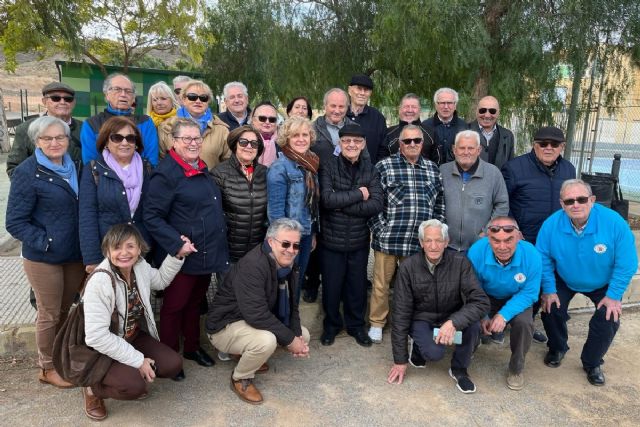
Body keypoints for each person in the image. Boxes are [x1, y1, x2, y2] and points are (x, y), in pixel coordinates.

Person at [144, 118, 230, 381]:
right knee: (174, 306)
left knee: (194, 304)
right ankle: (171, 357)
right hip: (182, 255)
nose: (193, 143)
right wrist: (176, 243)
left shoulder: (200, 167)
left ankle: (192, 347)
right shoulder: (166, 174)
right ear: (174, 141)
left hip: (205, 251)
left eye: (197, 138)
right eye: (187, 139)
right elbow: (152, 216)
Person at [6, 116, 85, 388]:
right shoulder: (28, 172)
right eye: (47, 138)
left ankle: (60, 357)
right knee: (49, 313)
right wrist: (46, 241)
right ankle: (47, 367)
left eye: (60, 137)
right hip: (44, 258)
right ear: (36, 142)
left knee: (65, 309)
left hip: (74, 255)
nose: (54, 143)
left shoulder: (75, 166)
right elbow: (15, 221)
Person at [536, 179, 638, 386]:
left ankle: (592, 362)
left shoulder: (614, 222)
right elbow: (543, 258)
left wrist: (614, 295)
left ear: (592, 200)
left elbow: (627, 262)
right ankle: (557, 347)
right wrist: (548, 289)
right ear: (561, 204)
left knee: (609, 316)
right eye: (569, 200)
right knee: (550, 306)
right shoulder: (551, 225)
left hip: (604, 282)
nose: (576, 204)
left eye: (581, 199)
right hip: (565, 278)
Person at [81, 224, 184, 421]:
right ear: (107, 251)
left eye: (130, 246)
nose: (124, 253)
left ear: (139, 248)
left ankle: (128, 372)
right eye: (117, 247)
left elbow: (160, 281)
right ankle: (92, 389)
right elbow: (96, 337)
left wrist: (178, 255)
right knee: (134, 387)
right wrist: (138, 360)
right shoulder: (100, 281)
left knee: (173, 364)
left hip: (131, 335)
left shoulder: (140, 266)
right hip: (101, 348)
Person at [205, 218, 311, 405]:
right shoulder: (253, 265)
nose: (291, 250)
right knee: (266, 341)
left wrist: (295, 337)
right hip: (225, 325)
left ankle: (247, 353)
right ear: (271, 241)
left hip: (249, 320)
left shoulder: (288, 264)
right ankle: (241, 377)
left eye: (296, 245)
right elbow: (257, 314)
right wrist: (290, 340)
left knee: (304, 335)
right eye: (285, 244)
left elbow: (293, 305)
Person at [387, 220, 489, 393]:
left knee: (473, 326)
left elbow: (480, 301)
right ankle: (418, 349)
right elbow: (400, 314)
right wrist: (400, 360)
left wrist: (453, 322)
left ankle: (459, 369)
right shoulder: (408, 267)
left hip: (451, 317)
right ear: (421, 243)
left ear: (446, 242)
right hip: (422, 319)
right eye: (428, 240)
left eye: (438, 240)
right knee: (435, 353)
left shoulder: (460, 263)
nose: (433, 246)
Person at [368, 124, 445, 344]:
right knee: (381, 284)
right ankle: (376, 323)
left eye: (416, 141)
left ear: (423, 143)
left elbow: (439, 204)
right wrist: (379, 230)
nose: (412, 145)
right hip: (389, 238)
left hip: (418, 243)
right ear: (399, 144)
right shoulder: (384, 166)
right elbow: (374, 203)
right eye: (407, 141)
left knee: (416, 287)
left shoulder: (432, 169)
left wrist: (435, 234)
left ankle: (412, 323)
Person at [501, 126, 576, 344]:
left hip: (556, 241)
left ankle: (527, 323)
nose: (548, 148)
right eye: (543, 144)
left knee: (543, 286)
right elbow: (503, 202)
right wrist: (513, 229)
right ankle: (506, 321)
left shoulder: (568, 170)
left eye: (554, 144)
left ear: (562, 147)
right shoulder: (515, 168)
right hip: (526, 239)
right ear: (535, 145)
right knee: (519, 282)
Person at [318, 123, 383, 348]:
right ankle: (331, 326)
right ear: (340, 143)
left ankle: (356, 326)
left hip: (358, 240)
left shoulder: (371, 169)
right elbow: (326, 200)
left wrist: (341, 202)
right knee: (332, 286)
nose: (351, 145)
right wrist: (358, 194)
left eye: (356, 141)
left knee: (356, 287)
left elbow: (375, 204)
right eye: (347, 141)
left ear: (363, 144)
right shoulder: (328, 166)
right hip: (331, 239)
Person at [467, 217, 541, 391]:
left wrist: (504, 315)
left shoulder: (531, 254)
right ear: (487, 238)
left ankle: (516, 369)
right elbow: (472, 287)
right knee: (470, 317)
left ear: (519, 237)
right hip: (485, 296)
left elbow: (530, 292)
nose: (502, 247)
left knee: (524, 323)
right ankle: (465, 355)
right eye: (495, 240)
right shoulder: (477, 251)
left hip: (517, 296)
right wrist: (483, 315)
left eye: (508, 240)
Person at [79, 116, 152, 273]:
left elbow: (153, 212)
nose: (124, 143)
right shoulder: (93, 170)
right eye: (117, 138)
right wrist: (92, 258)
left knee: (139, 293)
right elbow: (87, 215)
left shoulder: (147, 169)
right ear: (106, 141)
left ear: (136, 143)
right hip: (109, 249)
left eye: (130, 138)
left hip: (141, 249)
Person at [267, 116, 320, 302]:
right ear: (286, 139)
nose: (301, 139)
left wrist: (312, 233)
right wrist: (285, 244)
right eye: (295, 135)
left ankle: (293, 322)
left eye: (305, 134)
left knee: (296, 282)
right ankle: (284, 326)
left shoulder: (311, 163)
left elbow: (310, 205)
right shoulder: (279, 168)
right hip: (288, 238)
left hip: (305, 233)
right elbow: (275, 213)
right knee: (285, 285)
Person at [440, 130, 509, 252]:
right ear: (454, 150)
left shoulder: (493, 173)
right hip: (446, 246)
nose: (466, 152)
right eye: (462, 148)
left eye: (471, 148)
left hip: (480, 245)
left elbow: (502, 204)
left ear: (479, 150)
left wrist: (488, 232)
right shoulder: (442, 171)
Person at [211, 125, 268, 263]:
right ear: (235, 144)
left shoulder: (265, 173)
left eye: (254, 143)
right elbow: (213, 214)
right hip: (228, 251)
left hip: (258, 251)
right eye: (243, 142)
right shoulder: (219, 173)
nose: (249, 146)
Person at [81, 73, 159, 166]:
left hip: (141, 178)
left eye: (128, 91)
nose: (123, 94)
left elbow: (151, 161)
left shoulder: (146, 122)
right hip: (104, 178)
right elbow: (91, 164)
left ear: (133, 98)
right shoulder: (92, 124)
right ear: (106, 95)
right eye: (117, 89)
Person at [7, 81, 82, 178]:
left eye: (68, 99)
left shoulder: (85, 129)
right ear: (44, 101)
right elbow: (14, 168)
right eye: (56, 98)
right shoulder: (26, 129)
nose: (62, 102)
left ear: (73, 103)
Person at [158, 79, 230, 170]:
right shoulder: (166, 127)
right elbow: (161, 160)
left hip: (209, 182)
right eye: (192, 97)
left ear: (208, 102)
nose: (198, 101)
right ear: (183, 99)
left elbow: (227, 164)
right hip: (175, 182)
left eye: (203, 98)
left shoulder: (222, 130)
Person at [377, 93, 439, 164]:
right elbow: (381, 161)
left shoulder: (431, 133)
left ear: (419, 110)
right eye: (406, 107)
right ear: (399, 109)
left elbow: (437, 162)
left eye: (414, 107)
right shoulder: (388, 133)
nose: (410, 110)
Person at [345, 74, 387, 161]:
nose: (362, 93)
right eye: (359, 88)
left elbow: (383, 149)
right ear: (349, 90)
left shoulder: (378, 118)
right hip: (340, 172)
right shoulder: (341, 114)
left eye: (366, 90)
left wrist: (374, 171)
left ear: (370, 93)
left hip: (369, 172)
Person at [312, 88, 358, 165]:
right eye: (333, 106)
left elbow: (364, 160)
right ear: (325, 106)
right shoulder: (312, 128)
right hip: (321, 176)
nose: (337, 111)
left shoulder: (356, 128)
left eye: (341, 106)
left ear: (347, 108)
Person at [421, 87, 467, 164]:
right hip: (431, 171)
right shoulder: (425, 126)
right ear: (436, 105)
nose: (446, 107)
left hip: (455, 173)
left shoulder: (464, 127)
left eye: (449, 103)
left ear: (455, 105)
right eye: (442, 103)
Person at [468, 96, 514, 170]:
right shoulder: (463, 132)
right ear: (476, 111)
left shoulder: (508, 136)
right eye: (482, 110)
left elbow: (510, 167)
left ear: (498, 112)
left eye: (492, 111)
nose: (487, 115)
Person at [251, 101, 280, 167]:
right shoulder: (244, 140)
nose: (267, 122)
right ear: (253, 120)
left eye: (272, 119)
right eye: (262, 118)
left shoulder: (284, 142)